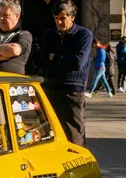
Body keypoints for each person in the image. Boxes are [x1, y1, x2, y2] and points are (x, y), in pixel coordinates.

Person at [39, 0, 93, 147]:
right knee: (51, 129)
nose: (59, 22)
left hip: (73, 88)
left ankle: (78, 159)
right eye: (56, 18)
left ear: (72, 17)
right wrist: (64, 59)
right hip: (51, 85)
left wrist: (55, 57)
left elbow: (78, 63)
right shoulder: (49, 34)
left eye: (63, 18)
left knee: (73, 129)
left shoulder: (84, 35)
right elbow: (42, 60)